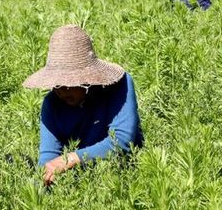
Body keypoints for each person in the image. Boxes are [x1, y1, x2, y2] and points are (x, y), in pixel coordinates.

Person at [23, 25, 143, 187]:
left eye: (68, 83)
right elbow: (48, 160)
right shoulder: (51, 104)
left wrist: (71, 159)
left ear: (87, 78)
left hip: (127, 175)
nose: (61, 91)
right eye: (56, 84)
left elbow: (122, 142)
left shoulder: (118, 85)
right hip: (85, 181)